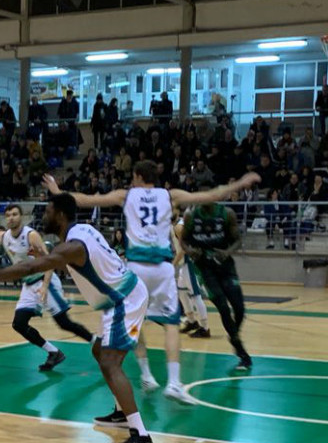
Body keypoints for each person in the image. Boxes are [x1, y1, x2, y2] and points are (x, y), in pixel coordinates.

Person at [43, 165, 259, 404]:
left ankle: (147, 375)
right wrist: (241, 183)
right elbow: (212, 195)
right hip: (162, 268)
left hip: (136, 267)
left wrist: (56, 190)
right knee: (171, 325)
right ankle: (174, 383)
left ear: (137, 176)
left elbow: (86, 200)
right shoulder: (170, 195)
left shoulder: (126, 195)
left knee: (137, 322)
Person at [0, 193, 153, 443]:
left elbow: (31, 267)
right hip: (118, 297)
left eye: (48, 211)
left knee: (109, 361)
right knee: (98, 351)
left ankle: (140, 435)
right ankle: (121, 412)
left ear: (60, 215)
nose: (44, 215)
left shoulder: (71, 247)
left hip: (124, 299)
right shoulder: (83, 229)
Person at [0, 204, 94, 371]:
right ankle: (53, 352)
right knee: (19, 323)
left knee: (64, 323)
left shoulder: (31, 235)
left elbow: (49, 260)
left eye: (15, 214)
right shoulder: (3, 236)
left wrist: (45, 286)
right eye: (8, 215)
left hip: (46, 280)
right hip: (29, 284)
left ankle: (96, 342)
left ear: (21, 217)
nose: (11, 217)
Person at [182, 202, 253, 370]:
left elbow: (237, 240)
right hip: (205, 269)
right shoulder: (191, 216)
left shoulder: (226, 214)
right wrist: (190, 250)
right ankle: (241, 350)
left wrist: (227, 252)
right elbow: (183, 240)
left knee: (239, 307)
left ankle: (233, 334)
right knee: (222, 307)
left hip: (226, 266)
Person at [174, 211, 210, 338]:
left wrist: (173, 264)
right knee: (182, 292)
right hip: (185, 264)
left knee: (195, 295)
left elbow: (184, 249)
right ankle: (192, 321)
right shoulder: (176, 225)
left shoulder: (179, 227)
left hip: (190, 262)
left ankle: (205, 328)